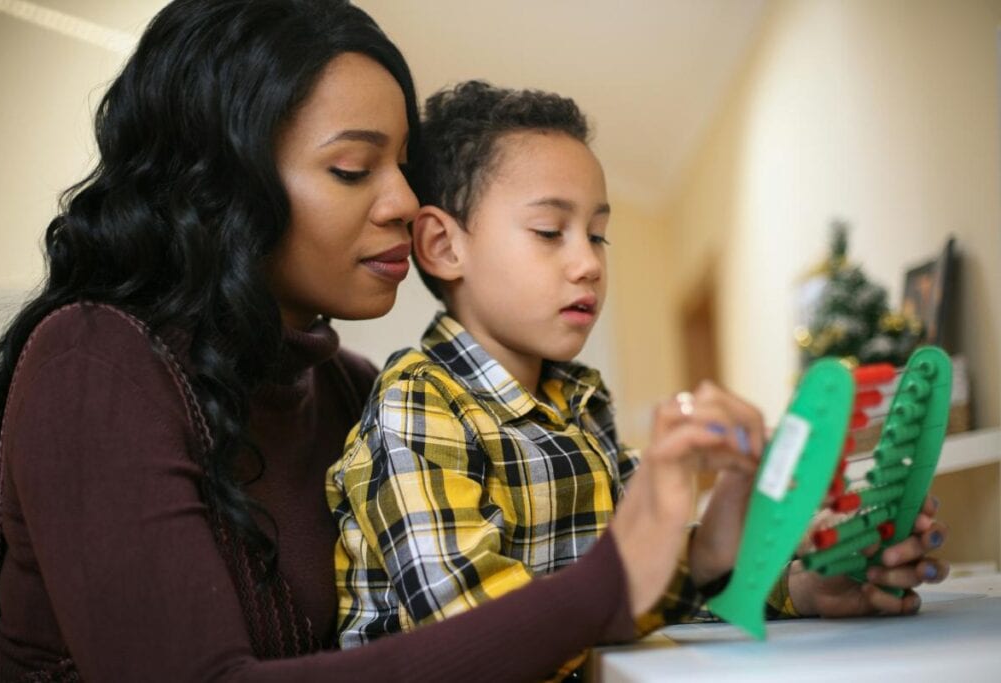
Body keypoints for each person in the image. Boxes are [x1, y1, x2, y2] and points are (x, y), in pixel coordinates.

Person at [0, 0, 945, 681]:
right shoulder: (93, 362)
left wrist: (782, 585)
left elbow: (540, 612)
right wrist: (624, 567)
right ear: (217, 183)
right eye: (355, 167)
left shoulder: (348, 394)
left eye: (401, 165)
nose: (405, 204)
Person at [327, 80, 950, 669]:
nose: (588, 264)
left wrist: (801, 586)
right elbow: (475, 637)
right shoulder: (417, 403)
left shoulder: (581, 401)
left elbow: (645, 595)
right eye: (550, 231)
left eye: (598, 236)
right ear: (442, 244)